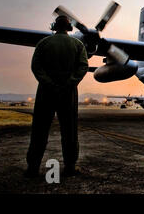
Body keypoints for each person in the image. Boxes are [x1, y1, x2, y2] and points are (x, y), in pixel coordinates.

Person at [25, 15, 88, 177]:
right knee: (70, 131)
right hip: (68, 94)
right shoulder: (78, 44)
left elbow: (36, 67)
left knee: (39, 130)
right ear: (69, 28)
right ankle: (70, 167)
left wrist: (49, 83)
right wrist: (69, 83)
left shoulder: (43, 43)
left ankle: (33, 168)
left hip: (46, 93)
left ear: (54, 26)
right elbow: (83, 67)